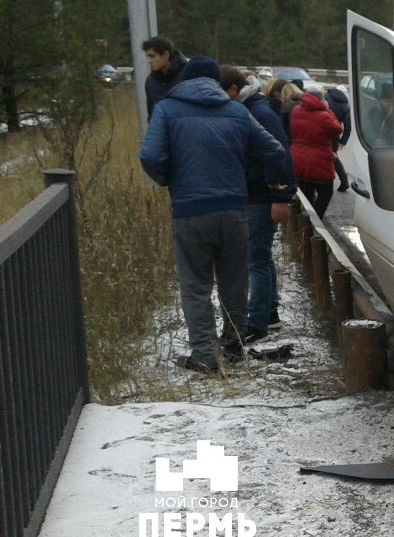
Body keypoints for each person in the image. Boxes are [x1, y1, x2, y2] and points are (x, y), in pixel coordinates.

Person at [138, 56, 288, 373]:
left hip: (190, 210)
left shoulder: (167, 109)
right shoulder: (235, 111)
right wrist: (250, 172)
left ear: (186, 81)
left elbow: (150, 154)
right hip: (234, 209)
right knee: (234, 282)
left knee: (195, 285)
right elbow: (274, 148)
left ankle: (204, 356)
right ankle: (233, 348)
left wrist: (167, 178)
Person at [220, 66, 295, 343]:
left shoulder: (258, 113)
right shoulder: (250, 110)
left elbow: (280, 155)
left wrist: (280, 197)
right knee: (261, 257)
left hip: (261, 196)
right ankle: (270, 315)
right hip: (256, 193)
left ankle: (258, 323)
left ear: (233, 91)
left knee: (256, 259)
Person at [290, 88, 344, 220]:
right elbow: (337, 129)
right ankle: (314, 222)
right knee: (325, 193)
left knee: (307, 194)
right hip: (319, 161)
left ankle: (305, 224)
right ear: (320, 99)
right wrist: (328, 110)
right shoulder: (324, 115)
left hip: (298, 159)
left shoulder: (296, 111)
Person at [141, 36, 188, 120]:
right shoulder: (151, 82)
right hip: (160, 129)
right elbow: (151, 114)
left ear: (166, 55)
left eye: (152, 56)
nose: (149, 61)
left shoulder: (187, 75)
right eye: (148, 57)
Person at [325, 86, 353, 192]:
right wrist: (343, 141)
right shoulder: (344, 105)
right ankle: (344, 180)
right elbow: (348, 125)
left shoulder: (325, 97)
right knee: (333, 157)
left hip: (319, 131)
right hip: (333, 135)